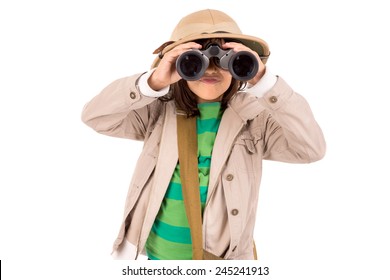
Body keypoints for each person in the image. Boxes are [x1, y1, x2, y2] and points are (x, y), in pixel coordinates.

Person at [81, 9, 326, 260]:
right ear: (176, 64)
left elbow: (311, 149)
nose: (211, 69)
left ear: (240, 65)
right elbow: (95, 116)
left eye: (226, 59)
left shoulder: (257, 119)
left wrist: (265, 82)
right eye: (194, 60)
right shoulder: (156, 111)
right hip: (153, 257)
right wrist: (152, 83)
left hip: (220, 262)